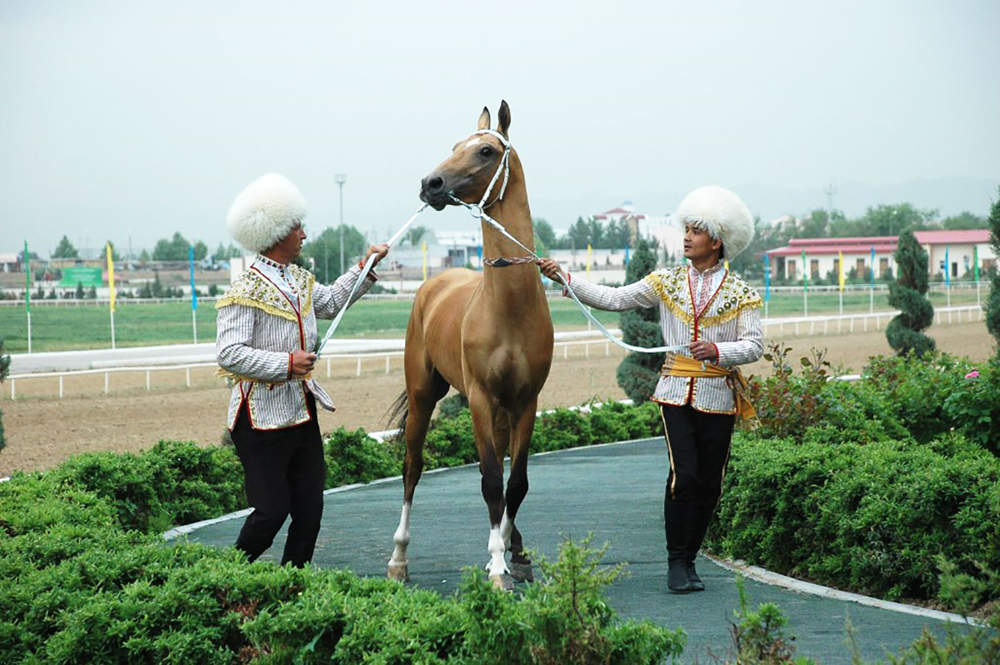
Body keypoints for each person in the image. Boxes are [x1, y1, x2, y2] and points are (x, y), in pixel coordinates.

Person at [538, 185, 763, 593]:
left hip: (719, 397)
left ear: (717, 241)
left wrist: (718, 350)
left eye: (697, 230)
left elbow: (754, 346)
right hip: (675, 391)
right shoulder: (665, 281)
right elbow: (613, 297)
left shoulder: (743, 294)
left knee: (711, 482)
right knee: (685, 475)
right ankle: (676, 562)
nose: (687, 236)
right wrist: (566, 279)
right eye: (687, 228)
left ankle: (691, 558)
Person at [216, 173, 389, 567]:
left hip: (301, 411)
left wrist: (365, 267)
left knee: (310, 512)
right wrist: (286, 364)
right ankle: (224, 581)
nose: (305, 235)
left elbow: (329, 303)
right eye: (298, 227)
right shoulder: (244, 289)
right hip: (258, 420)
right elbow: (228, 353)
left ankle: (292, 586)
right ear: (277, 232)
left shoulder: (298, 279)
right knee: (271, 512)